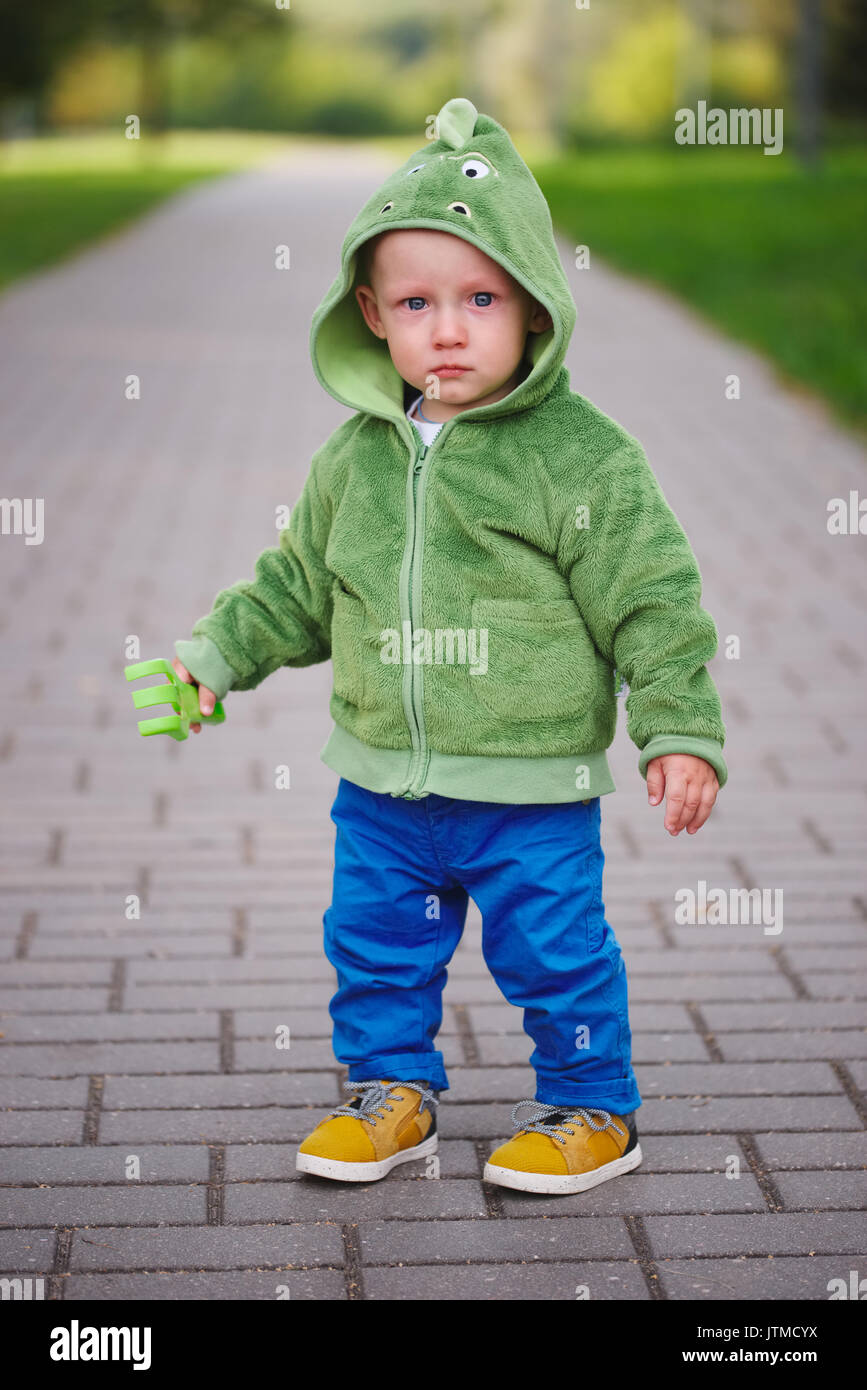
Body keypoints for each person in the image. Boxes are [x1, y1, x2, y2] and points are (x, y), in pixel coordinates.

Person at [172, 96, 727, 1196]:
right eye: (417, 302)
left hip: (528, 781)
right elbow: (297, 586)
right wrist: (214, 657)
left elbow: (652, 598)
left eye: (481, 298)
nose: (451, 328)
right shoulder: (355, 459)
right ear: (372, 314)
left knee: (555, 954)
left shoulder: (581, 456)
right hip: (383, 782)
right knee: (374, 948)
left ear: (532, 305)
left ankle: (590, 1107)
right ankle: (392, 1094)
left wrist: (679, 725)